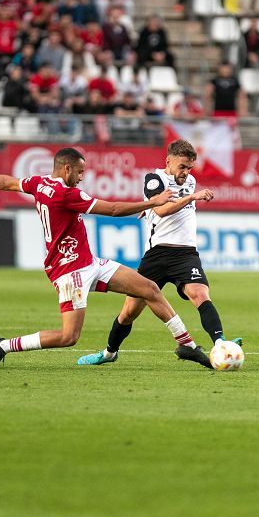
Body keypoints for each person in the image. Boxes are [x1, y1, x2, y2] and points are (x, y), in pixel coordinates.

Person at [0, 148, 214, 369]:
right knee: (69, 336)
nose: (81, 178)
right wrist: (151, 203)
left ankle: (187, 345)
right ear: (66, 168)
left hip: (89, 262)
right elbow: (113, 210)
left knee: (149, 288)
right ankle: (3, 345)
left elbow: (7, 182)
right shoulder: (67, 195)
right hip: (69, 271)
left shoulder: (39, 183)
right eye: (79, 173)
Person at [77, 140, 240, 367]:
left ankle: (220, 343)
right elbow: (162, 210)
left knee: (200, 294)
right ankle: (109, 353)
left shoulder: (190, 181)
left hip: (186, 253)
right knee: (128, 313)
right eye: (182, 167)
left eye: (190, 168)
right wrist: (190, 198)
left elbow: (165, 210)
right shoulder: (155, 179)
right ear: (168, 161)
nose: (186, 173)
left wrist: (155, 210)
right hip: (157, 255)